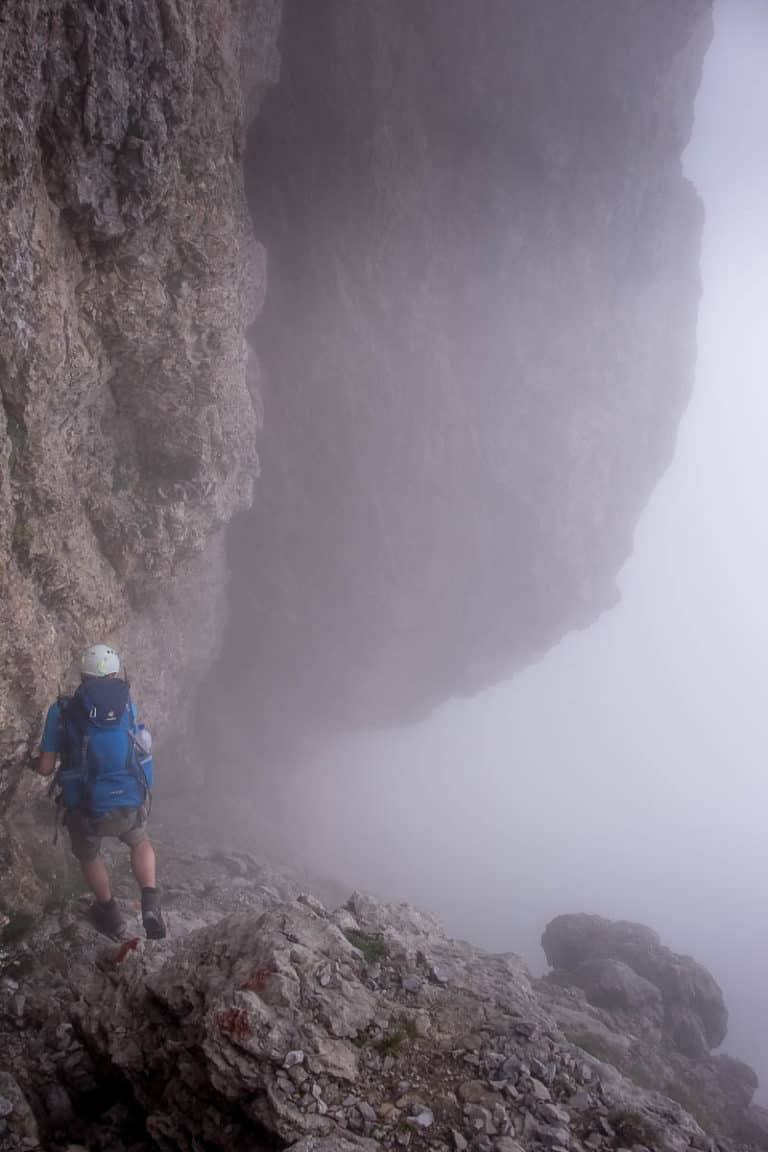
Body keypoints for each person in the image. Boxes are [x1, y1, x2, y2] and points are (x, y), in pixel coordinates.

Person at [35, 644, 166, 940]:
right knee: (140, 841)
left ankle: (112, 917)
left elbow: (45, 768)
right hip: (129, 796)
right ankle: (150, 903)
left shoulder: (62, 710)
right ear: (115, 672)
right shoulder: (126, 704)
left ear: (83, 674)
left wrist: (32, 763)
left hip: (87, 806)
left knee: (89, 855)